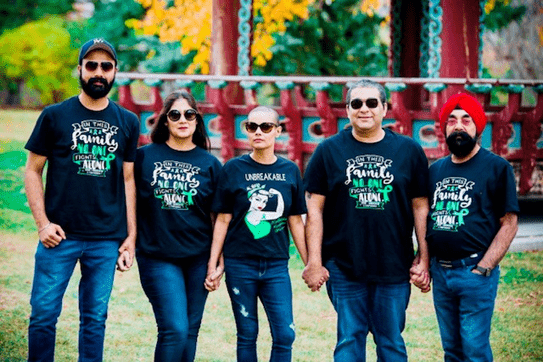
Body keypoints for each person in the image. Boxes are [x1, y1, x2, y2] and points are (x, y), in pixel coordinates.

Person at [24, 38, 139, 362]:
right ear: (80, 70)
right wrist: (42, 224)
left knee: (94, 320)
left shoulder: (128, 121)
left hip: (106, 239)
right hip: (58, 237)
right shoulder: (54, 115)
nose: (98, 73)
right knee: (43, 316)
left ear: (115, 72)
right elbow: (32, 171)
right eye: (91, 66)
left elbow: (128, 179)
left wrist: (131, 237)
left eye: (106, 66)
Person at [302, 79, 430, 361]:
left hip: (394, 265)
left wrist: (424, 256)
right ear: (347, 110)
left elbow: (421, 206)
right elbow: (314, 210)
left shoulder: (409, 151)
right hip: (343, 265)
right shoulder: (328, 151)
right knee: (349, 341)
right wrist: (314, 261)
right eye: (356, 103)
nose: (364, 109)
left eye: (372, 103)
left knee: (391, 342)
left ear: (385, 108)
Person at [205, 106, 308, 361]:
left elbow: (295, 220)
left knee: (285, 334)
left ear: (278, 131)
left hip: (276, 265)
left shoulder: (290, 170)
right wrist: (213, 264)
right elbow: (222, 219)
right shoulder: (233, 169)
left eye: (266, 127)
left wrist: (310, 264)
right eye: (252, 127)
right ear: (246, 131)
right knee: (247, 333)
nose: (258, 132)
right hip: (240, 263)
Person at [425, 93, 519, 361]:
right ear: (444, 128)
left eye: (466, 120)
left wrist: (484, 267)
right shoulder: (436, 171)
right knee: (451, 350)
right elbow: (427, 217)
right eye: (452, 120)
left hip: (474, 272)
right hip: (441, 273)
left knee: (474, 350)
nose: (458, 126)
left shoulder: (497, 168)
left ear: (478, 127)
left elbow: (509, 223)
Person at [135, 90, 222, 361]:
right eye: (175, 114)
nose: (182, 119)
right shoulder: (143, 158)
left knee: (190, 331)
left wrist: (218, 261)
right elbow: (127, 202)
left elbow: (219, 218)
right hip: (157, 256)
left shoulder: (210, 164)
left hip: (198, 258)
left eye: (189, 114)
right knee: (174, 328)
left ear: (197, 121)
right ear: (165, 121)